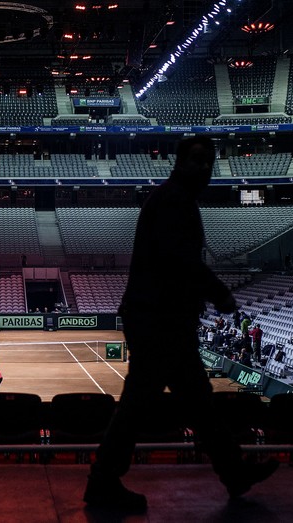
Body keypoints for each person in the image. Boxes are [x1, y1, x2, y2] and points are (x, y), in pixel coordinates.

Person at [84, 136, 278, 512]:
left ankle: (233, 472)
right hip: (159, 320)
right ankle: (102, 481)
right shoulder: (175, 202)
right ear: (180, 162)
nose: (203, 167)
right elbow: (180, 261)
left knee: (196, 403)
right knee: (143, 403)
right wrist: (219, 292)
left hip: (163, 318)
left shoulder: (175, 199)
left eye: (208, 161)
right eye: (197, 160)